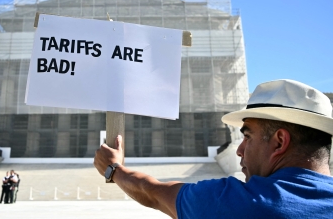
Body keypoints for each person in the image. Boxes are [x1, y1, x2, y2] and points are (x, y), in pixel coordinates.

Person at [94, 79, 333, 218]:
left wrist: (113, 169)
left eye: (247, 136)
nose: (239, 151)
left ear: (279, 141)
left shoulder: (240, 204)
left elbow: (153, 193)